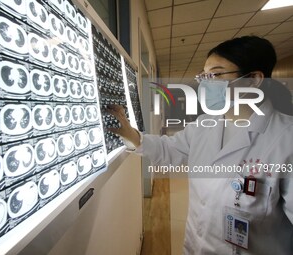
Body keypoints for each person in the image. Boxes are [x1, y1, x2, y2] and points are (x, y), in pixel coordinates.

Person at [108, 36, 293, 254]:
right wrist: (132, 135)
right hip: (195, 246)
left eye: (215, 74)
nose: (205, 84)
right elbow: (171, 149)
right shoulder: (206, 123)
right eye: (204, 75)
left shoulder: (285, 138)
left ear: (253, 79)